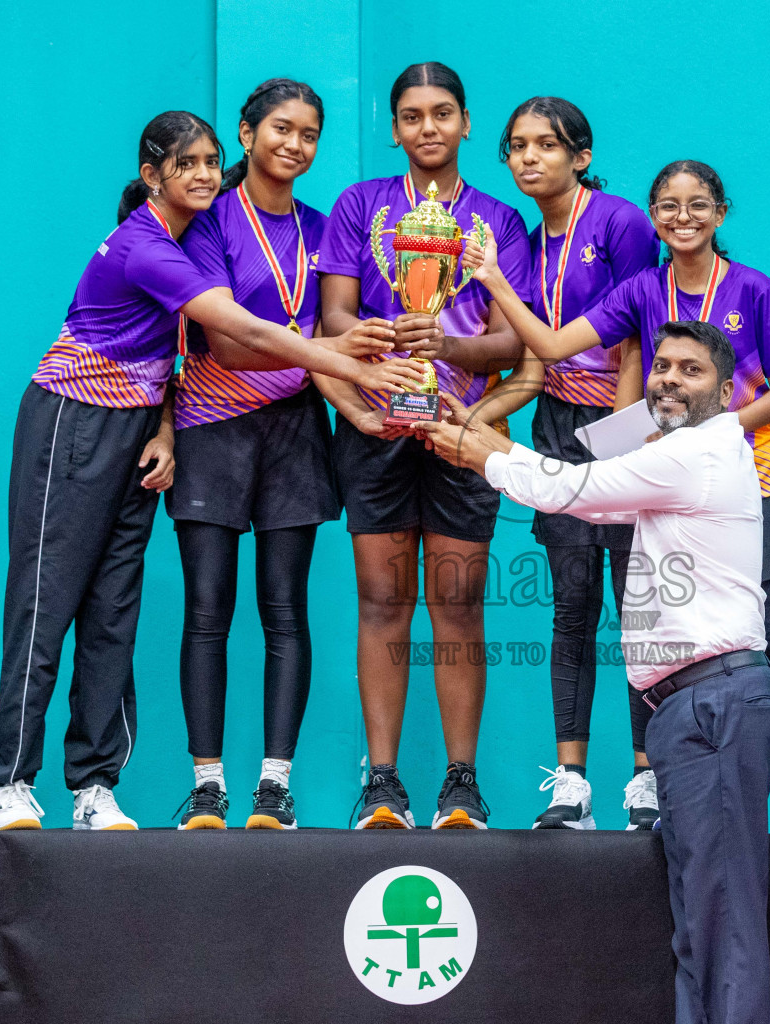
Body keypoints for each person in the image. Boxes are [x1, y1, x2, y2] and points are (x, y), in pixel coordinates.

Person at [0, 111, 424, 832]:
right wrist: (348, 360)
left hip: (136, 429)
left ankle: (93, 786)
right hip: (73, 419)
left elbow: (173, 353)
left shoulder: (198, 234)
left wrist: (161, 426)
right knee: (45, 602)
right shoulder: (147, 244)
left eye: (209, 161)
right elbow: (238, 331)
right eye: (185, 163)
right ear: (152, 174)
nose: (201, 174)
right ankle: (11, 783)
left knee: (113, 609)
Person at [416, 321, 770, 1024]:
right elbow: (585, 492)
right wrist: (477, 439)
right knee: (696, 917)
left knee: (724, 917)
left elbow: (570, 489)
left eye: (690, 371)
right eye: (662, 366)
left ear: (727, 390)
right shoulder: (673, 460)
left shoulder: (702, 452)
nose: (669, 379)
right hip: (682, 709)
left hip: (716, 704)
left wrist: (477, 448)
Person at [461, 159, 770, 834]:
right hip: (670, 489)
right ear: (653, 216)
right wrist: (491, 280)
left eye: (697, 205)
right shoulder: (641, 289)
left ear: (720, 212)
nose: (681, 217)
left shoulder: (753, 289)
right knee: (654, 625)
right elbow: (548, 344)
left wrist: (709, 434)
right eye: (667, 206)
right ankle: (644, 781)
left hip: (756, 480)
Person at [313, 61, 531, 830]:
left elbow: (514, 338)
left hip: (464, 430)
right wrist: (371, 337)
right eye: (412, 115)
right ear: (395, 127)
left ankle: (461, 784)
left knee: (460, 604)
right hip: (377, 423)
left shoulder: (498, 221)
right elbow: (331, 317)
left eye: (442, 113)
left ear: (467, 124)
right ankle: (381, 783)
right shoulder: (359, 205)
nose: (428, 127)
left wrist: (450, 342)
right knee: (380, 601)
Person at [477, 96, 660, 830]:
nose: (529, 158)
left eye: (546, 145)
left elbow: (641, 334)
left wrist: (620, 442)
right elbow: (528, 354)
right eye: (516, 146)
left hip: (623, 421)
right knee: (572, 605)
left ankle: (648, 779)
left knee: (638, 610)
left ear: (580, 156)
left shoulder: (618, 222)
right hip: (556, 422)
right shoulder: (522, 237)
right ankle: (573, 781)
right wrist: (475, 421)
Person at [165, 79, 343, 831]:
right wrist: (326, 356)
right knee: (207, 610)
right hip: (210, 423)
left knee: (284, 609)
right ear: (245, 133)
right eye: (280, 128)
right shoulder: (210, 222)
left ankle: (275, 785)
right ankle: (208, 785)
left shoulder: (324, 226)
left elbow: (343, 322)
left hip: (296, 430)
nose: (293, 145)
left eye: (308, 134)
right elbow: (221, 341)